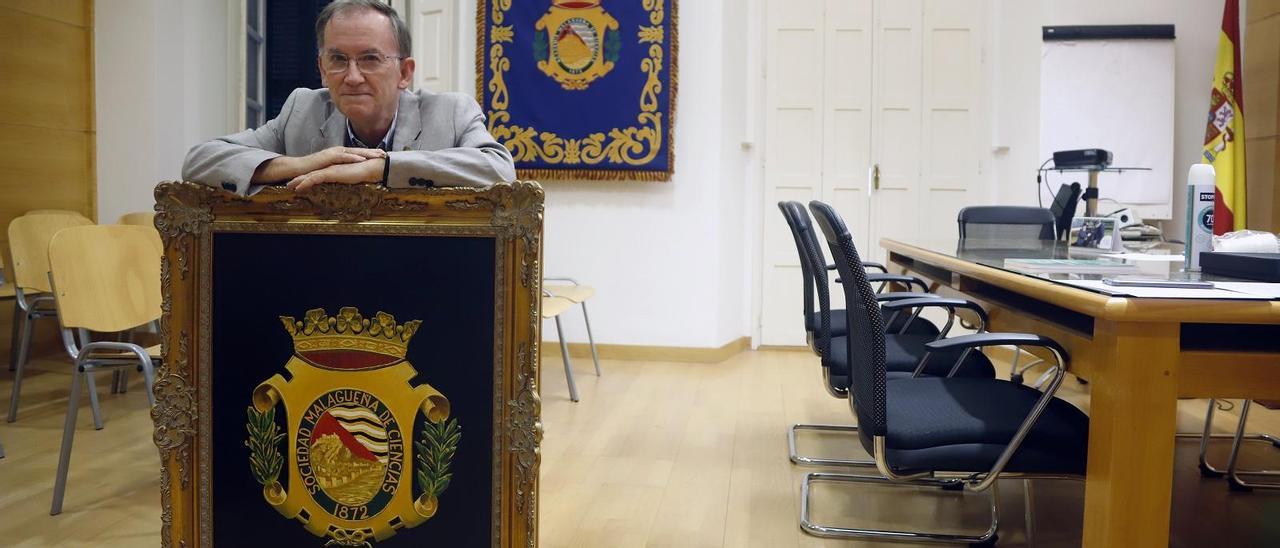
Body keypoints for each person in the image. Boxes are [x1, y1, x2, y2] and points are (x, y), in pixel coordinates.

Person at [182, 0, 515, 195]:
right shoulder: (302, 110)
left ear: (404, 73)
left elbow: (500, 171)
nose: (353, 77)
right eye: (338, 60)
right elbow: (200, 161)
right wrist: (299, 164)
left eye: (370, 59)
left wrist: (381, 169)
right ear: (323, 70)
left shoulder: (451, 113)